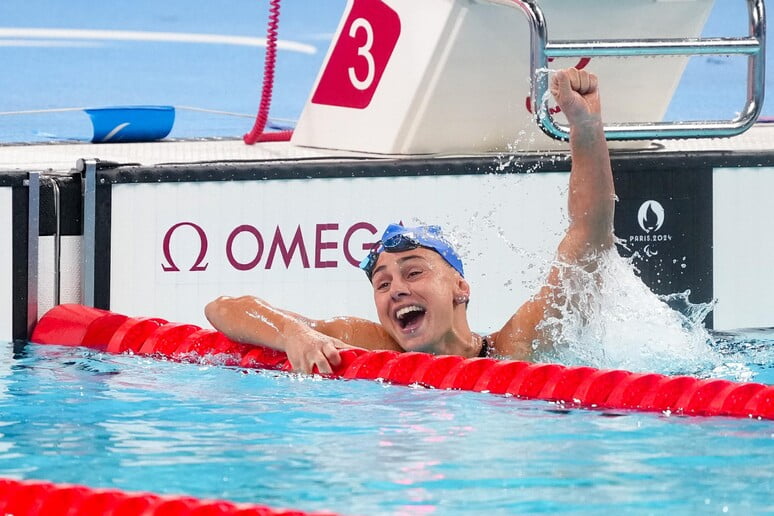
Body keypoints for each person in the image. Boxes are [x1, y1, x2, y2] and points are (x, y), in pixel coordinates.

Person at [205, 68, 615, 374]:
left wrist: (585, 126)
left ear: (460, 287)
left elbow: (589, 238)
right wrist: (294, 332)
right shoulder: (368, 345)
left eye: (413, 272)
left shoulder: (516, 346)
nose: (396, 290)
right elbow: (224, 308)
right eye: (382, 284)